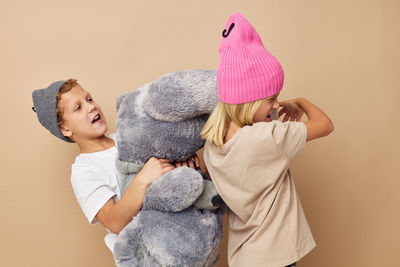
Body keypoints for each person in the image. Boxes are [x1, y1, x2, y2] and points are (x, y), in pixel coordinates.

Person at [201, 13, 334, 267]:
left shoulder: (212, 145)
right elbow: (325, 125)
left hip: (244, 257)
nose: (275, 106)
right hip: (275, 256)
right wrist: (300, 102)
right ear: (247, 100)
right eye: (271, 98)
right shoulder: (268, 137)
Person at [32, 79, 200, 253]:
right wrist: (142, 179)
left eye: (89, 99)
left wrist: (182, 158)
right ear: (66, 129)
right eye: (78, 107)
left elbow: (162, 164)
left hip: (181, 238)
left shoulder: (127, 138)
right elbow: (114, 222)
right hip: (145, 252)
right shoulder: (84, 171)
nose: (91, 107)